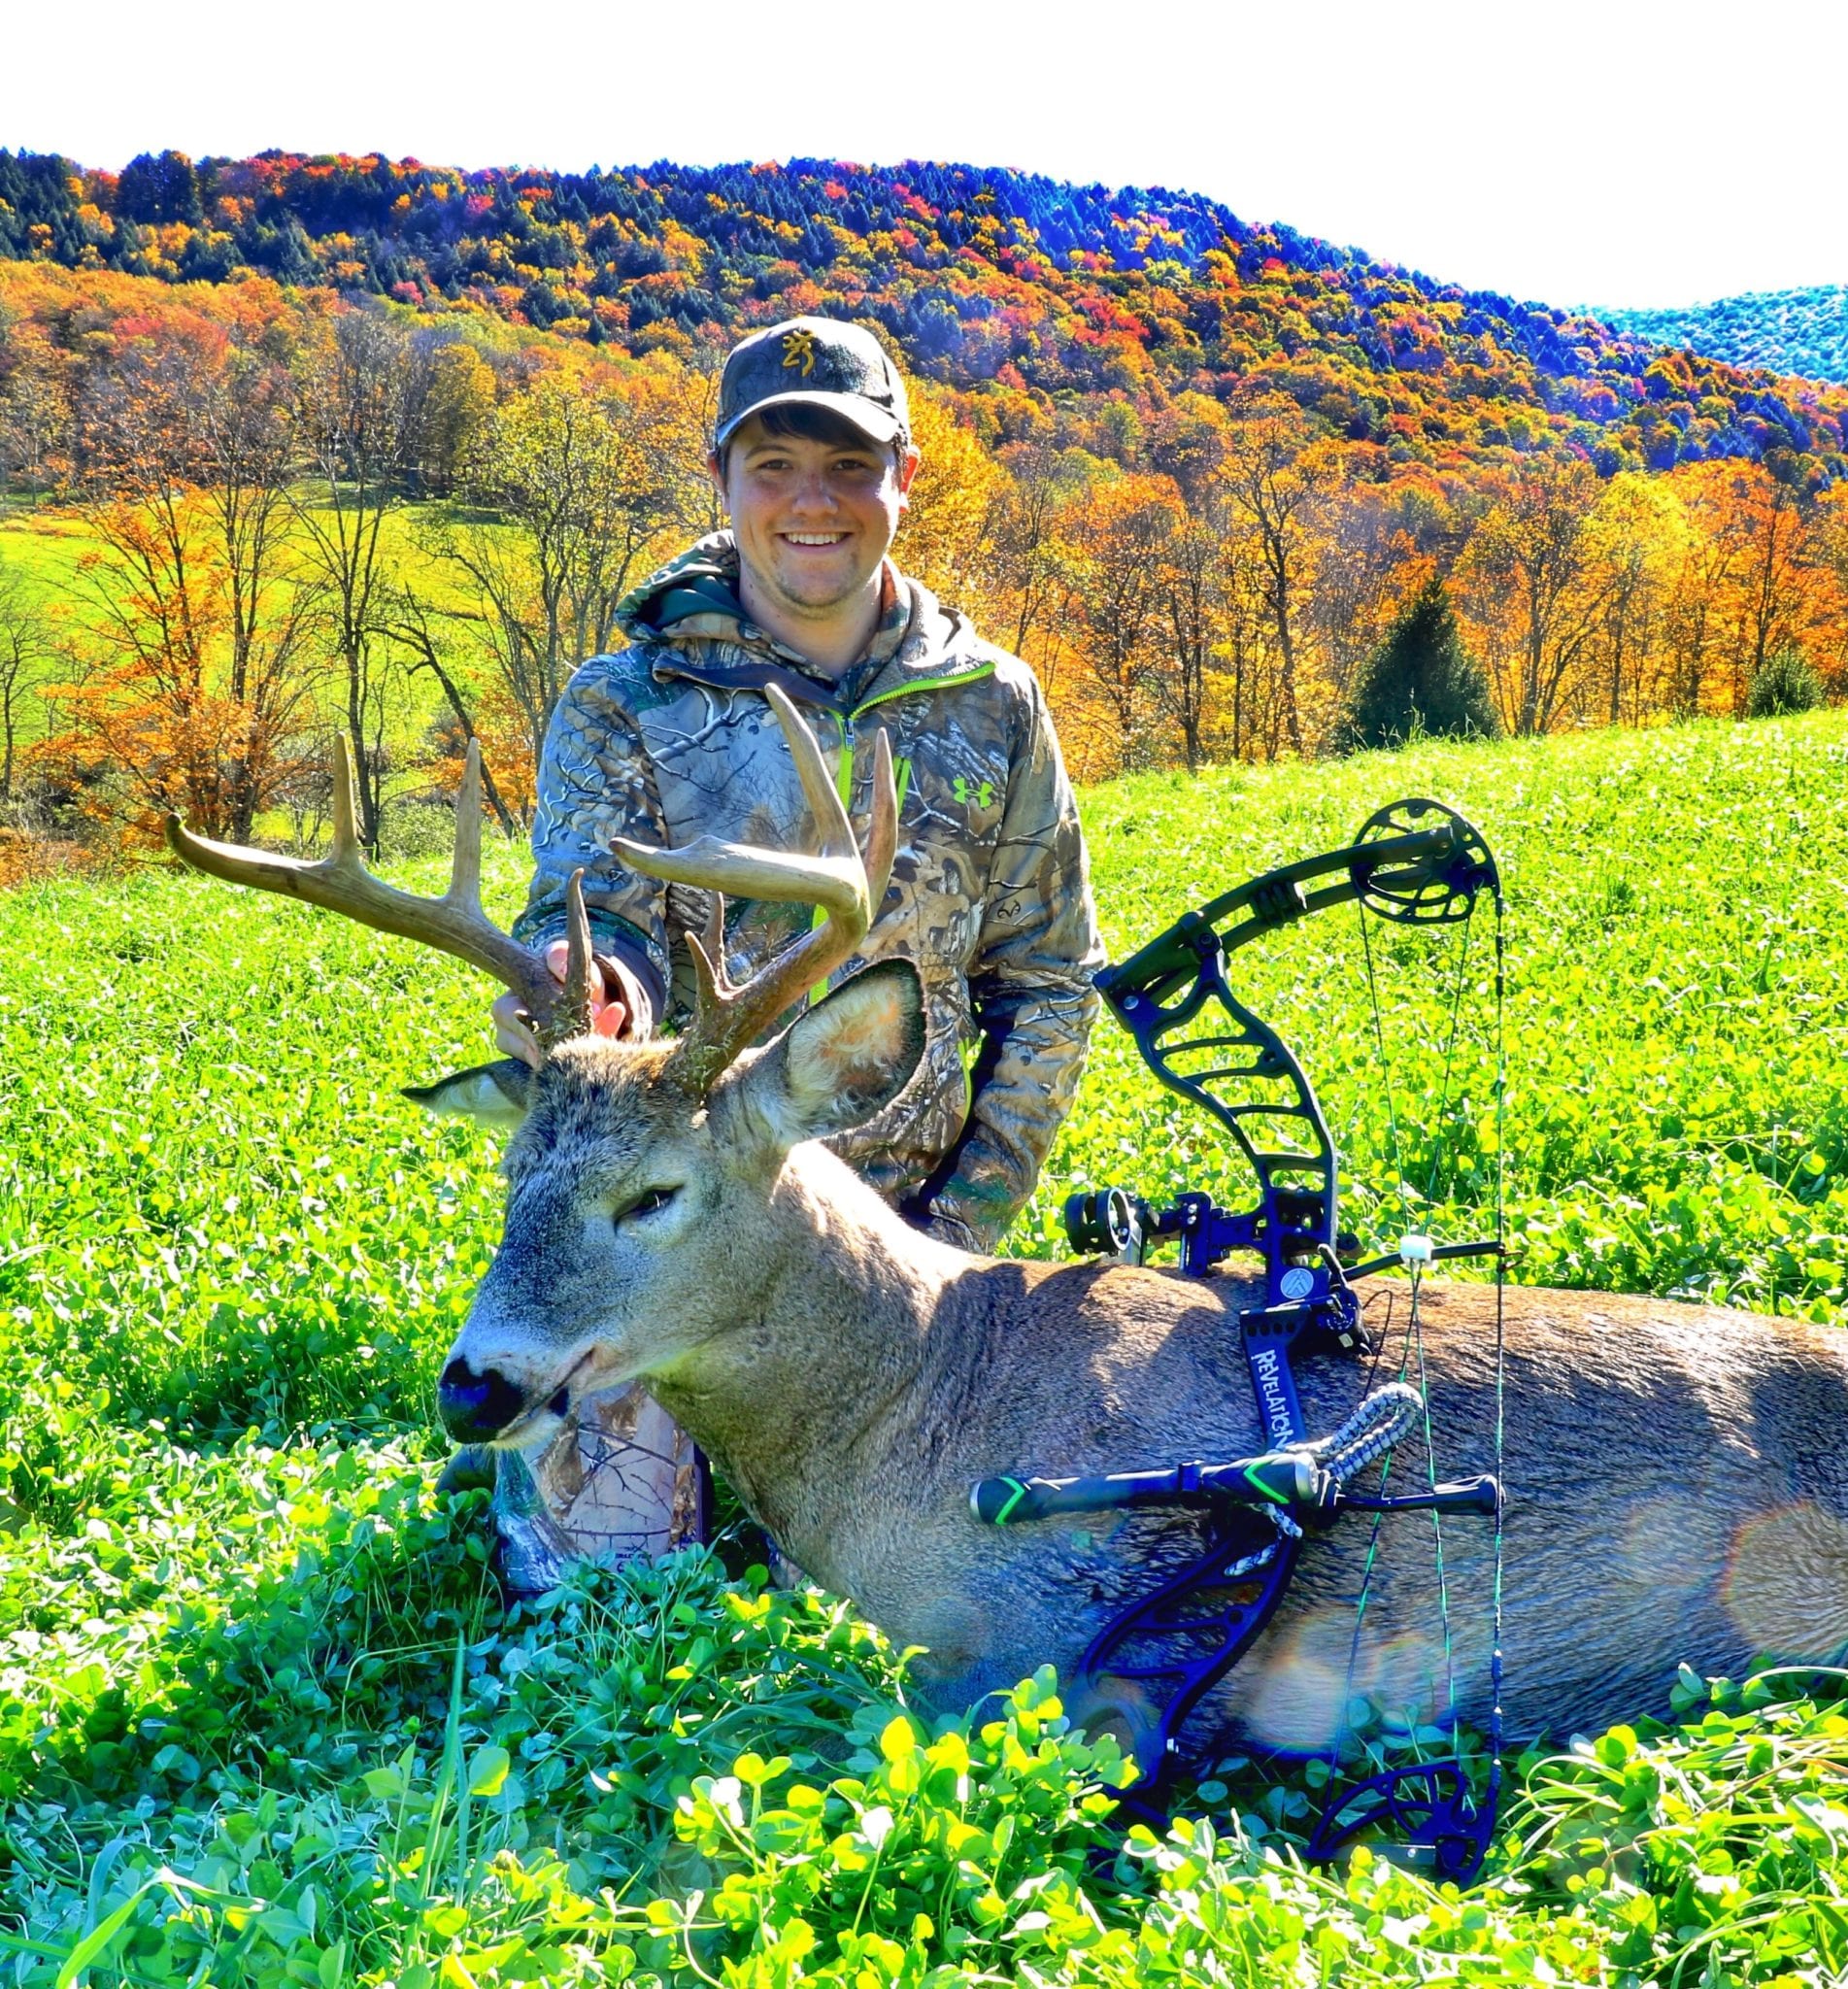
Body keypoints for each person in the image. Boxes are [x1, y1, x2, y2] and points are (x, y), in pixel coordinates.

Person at [481, 315, 1102, 1584]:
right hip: (686, 1237)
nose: (812, 501)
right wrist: (588, 986)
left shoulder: (992, 702)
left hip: (922, 1254)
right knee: (602, 1598)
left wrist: (964, 1235)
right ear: (721, 479)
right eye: (774, 465)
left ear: (902, 480)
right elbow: (584, 921)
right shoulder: (625, 702)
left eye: (849, 466)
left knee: (1027, 1578)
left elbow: (1048, 983)